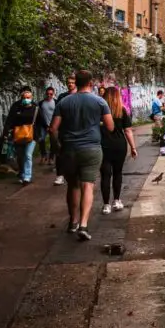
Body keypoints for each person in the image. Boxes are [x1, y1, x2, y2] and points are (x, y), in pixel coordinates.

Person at [51, 70, 113, 241]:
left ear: (75, 83)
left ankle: (73, 222)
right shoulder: (99, 101)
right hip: (92, 149)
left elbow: (53, 128)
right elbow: (110, 126)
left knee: (73, 186)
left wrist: (58, 146)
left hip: (69, 149)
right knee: (88, 186)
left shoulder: (64, 102)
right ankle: (84, 225)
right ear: (91, 83)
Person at [99, 86, 136, 214]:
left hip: (103, 145)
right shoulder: (122, 111)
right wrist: (133, 147)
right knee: (118, 173)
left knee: (105, 175)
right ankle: (116, 200)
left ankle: (105, 205)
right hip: (119, 146)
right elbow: (128, 131)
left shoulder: (99, 111)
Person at [3, 87, 40, 184]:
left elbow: (41, 121)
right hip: (18, 135)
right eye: (25, 97)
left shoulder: (35, 108)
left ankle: (27, 177)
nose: (26, 99)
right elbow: (10, 120)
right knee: (20, 156)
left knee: (28, 155)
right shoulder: (16, 107)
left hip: (31, 136)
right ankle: (22, 173)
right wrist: (6, 133)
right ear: (21, 97)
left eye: (28, 97)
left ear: (32, 97)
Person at [53, 75, 78, 186]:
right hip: (64, 129)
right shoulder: (62, 97)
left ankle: (75, 173)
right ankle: (60, 175)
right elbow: (57, 113)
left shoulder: (80, 96)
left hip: (78, 129)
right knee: (60, 152)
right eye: (68, 82)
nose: (70, 84)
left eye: (72, 82)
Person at [37, 86, 57, 166]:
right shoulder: (41, 103)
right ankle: (43, 156)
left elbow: (58, 115)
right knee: (41, 140)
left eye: (51, 94)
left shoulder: (56, 102)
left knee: (53, 142)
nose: (49, 95)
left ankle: (51, 158)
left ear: (53, 94)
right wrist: (44, 125)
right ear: (45, 94)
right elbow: (39, 116)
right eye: (47, 94)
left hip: (53, 125)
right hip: (43, 125)